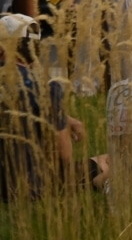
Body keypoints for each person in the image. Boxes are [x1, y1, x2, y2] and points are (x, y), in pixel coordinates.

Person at [0, 13, 109, 201]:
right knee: (113, 160)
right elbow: (64, 157)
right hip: (32, 187)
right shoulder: (46, 89)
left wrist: (64, 117)